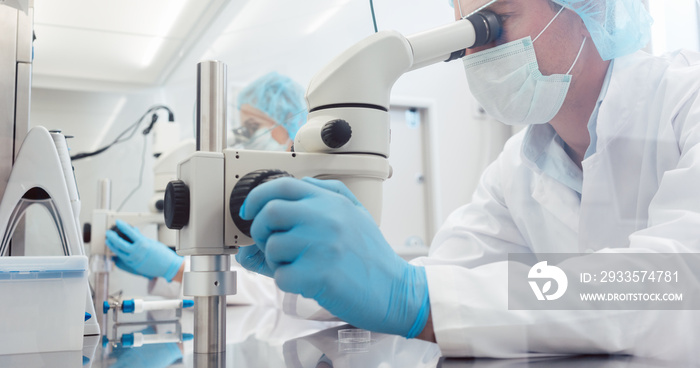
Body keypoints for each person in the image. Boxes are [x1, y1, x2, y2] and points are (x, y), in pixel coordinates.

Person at [234, 0, 700, 360]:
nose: (476, 53)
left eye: (495, 22)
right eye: (465, 32)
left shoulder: (687, 102)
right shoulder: (517, 166)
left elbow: (671, 283)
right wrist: (320, 270)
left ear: (584, 9)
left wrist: (414, 297)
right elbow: (444, 282)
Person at [105, 72, 308, 302]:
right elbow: (241, 273)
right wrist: (162, 274)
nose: (247, 137)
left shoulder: (303, 188)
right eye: (244, 128)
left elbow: (279, 293)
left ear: (289, 118)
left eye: (253, 126)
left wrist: (177, 269)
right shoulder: (260, 191)